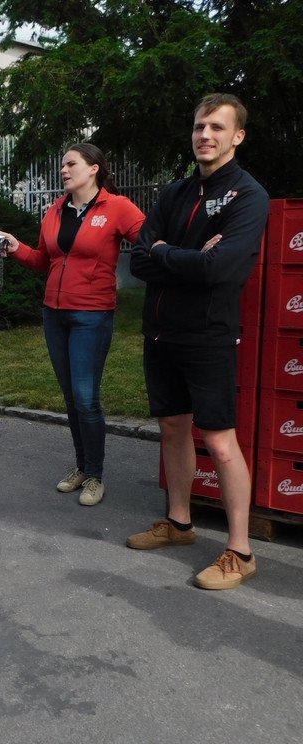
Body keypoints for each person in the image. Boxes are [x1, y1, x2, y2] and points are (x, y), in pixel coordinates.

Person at [127, 93, 269, 590]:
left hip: (208, 335)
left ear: (237, 136)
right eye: (198, 127)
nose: (204, 135)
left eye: (215, 127)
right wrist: (180, 255)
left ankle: (240, 550)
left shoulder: (249, 196)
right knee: (172, 428)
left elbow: (222, 268)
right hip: (162, 330)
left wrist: (167, 252)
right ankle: (181, 524)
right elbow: (139, 260)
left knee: (220, 441)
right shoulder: (175, 192)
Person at [2, 144, 145, 507]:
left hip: (92, 315)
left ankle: (96, 475)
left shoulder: (117, 208)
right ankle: (82, 467)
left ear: (94, 168)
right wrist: (16, 246)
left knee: (86, 397)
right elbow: (44, 260)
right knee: (70, 398)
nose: (63, 170)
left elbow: (148, 241)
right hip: (55, 314)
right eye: (62, 164)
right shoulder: (55, 210)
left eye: (71, 164)